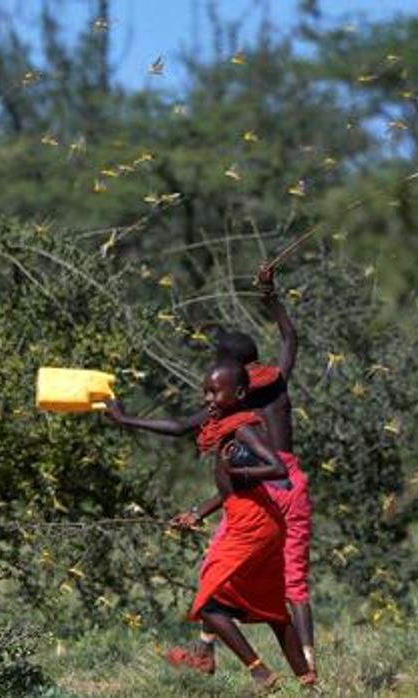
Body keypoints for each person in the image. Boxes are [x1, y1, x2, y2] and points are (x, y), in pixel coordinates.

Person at [105, 266, 316, 672]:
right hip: (294, 483)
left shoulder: (232, 404)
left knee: (218, 566)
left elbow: (182, 428)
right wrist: (269, 293)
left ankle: (218, 660)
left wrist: (127, 419)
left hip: (262, 486)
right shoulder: (277, 380)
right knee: (290, 580)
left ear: (232, 371)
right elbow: (291, 337)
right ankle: (307, 667)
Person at [176, 361, 314, 693]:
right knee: (274, 611)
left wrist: (244, 474)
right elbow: (230, 488)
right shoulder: (227, 427)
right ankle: (311, 687)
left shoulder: (243, 429)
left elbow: (277, 468)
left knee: (209, 603)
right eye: (205, 390)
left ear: (238, 393)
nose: (209, 397)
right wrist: (199, 513)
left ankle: (260, 673)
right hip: (258, 520)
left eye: (215, 391)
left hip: (250, 525)